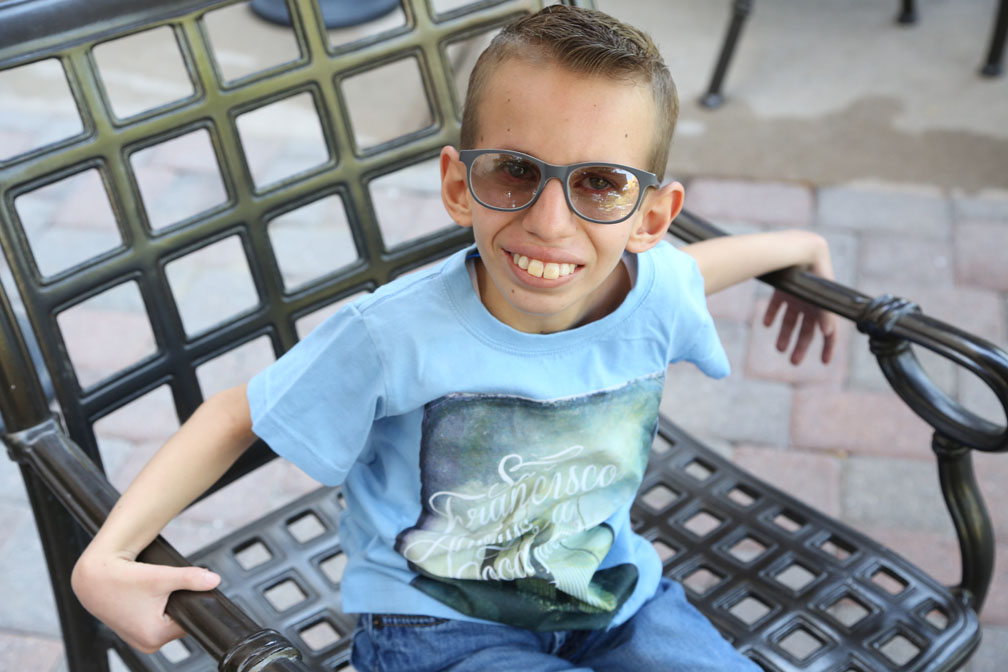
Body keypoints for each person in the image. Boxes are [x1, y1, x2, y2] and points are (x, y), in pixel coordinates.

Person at [72, 5, 836, 671]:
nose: (550, 221)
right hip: (438, 630)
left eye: (599, 184)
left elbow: (696, 271)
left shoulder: (657, 288)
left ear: (651, 219)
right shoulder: (395, 333)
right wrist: (105, 559)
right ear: (456, 184)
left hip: (611, 595)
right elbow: (237, 414)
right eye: (513, 172)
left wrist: (796, 245)